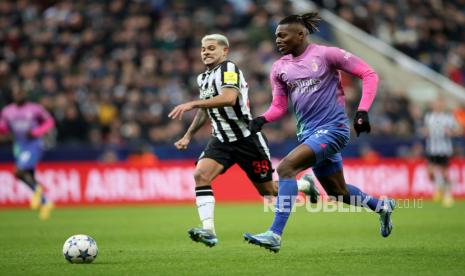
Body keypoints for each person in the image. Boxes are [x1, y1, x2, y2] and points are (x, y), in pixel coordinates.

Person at [243, 13, 396, 253]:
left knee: (285, 169)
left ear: (300, 35)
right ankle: (382, 206)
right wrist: (261, 120)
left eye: (283, 35)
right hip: (309, 134)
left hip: (334, 129)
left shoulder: (326, 55)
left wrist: (363, 110)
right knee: (338, 192)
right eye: (276, 36)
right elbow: (279, 106)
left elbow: (369, 74)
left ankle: (274, 233)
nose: (278, 40)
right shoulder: (279, 68)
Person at [168, 34, 319, 247]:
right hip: (221, 140)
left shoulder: (229, 70)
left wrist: (192, 103)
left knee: (268, 191)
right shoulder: (203, 78)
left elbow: (229, 98)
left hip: (248, 140)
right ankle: (209, 231)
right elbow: (205, 108)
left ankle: (304, 184)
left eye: (211, 48)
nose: (206, 52)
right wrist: (188, 135)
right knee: (201, 175)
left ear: (224, 51)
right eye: (203, 49)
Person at [0, 80, 55, 220]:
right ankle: (46, 203)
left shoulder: (35, 109)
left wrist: (37, 132)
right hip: (19, 146)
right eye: (16, 93)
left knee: (18, 171)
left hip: (34, 144)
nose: (19, 95)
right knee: (28, 175)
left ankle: (38, 190)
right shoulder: (7, 111)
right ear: (13, 95)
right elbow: (5, 128)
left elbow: (49, 122)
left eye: (21, 93)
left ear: (25, 94)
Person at [423, 99, 461, 207]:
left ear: (443, 106)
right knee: (430, 172)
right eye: (436, 104)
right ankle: (439, 188)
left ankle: (448, 195)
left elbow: (459, 130)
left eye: (440, 104)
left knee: (444, 172)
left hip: (444, 149)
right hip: (431, 149)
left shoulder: (448, 118)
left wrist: (451, 132)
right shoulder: (428, 117)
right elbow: (425, 130)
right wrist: (425, 132)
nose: (438, 106)